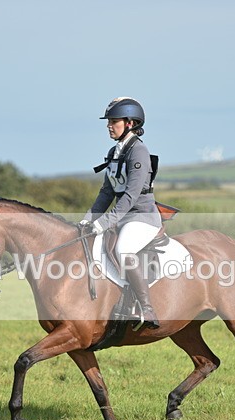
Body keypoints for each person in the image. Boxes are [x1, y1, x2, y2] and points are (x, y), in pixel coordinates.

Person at [79, 97, 161, 330]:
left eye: (114, 121)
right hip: (123, 217)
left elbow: (130, 197)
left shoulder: (139, 152)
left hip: (142, 217)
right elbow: (106, 193)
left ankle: (147, 308)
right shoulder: (114, 151)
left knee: (123, 249)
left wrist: (104, 222)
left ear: (130, 123)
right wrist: (88, 219)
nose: (109, 125)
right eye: (109, 121)